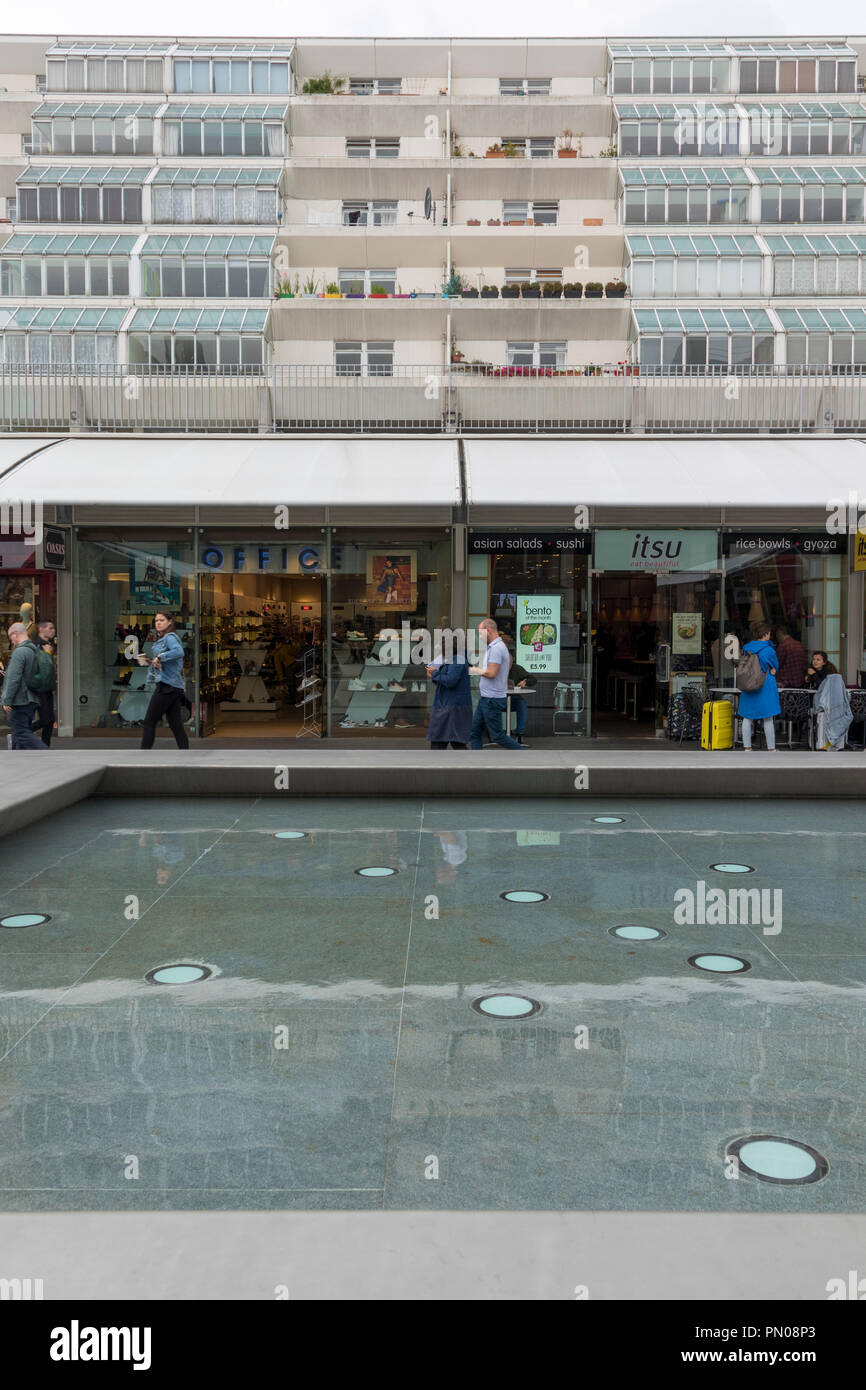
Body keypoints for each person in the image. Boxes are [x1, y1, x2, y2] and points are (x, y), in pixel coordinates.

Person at [468, 618, 526, 751]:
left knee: (498, 736)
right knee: (475, 732)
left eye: (480, 633)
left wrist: (474, 670)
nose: (479, 636)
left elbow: (492, 673)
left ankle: (523, 755)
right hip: (487, 698)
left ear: (488, 631)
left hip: (492, 699)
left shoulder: (496, 649)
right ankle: (476, 763)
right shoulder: (495, 647)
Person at [138, 610, 190, 750]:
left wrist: (160, 657)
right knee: (176, 725)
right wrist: (150, 661)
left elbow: (179, 652)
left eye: (161, 620)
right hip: (173, 686)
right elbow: (168, 662)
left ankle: (144, 755)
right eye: (156, 621)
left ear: (170, 622)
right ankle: (185, 753)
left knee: (149, 722)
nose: (158, 623)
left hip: (167, 687)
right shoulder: (164, 638)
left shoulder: (170, 637)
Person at [2, 622, 48, 749]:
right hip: (31, 699)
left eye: (10, 637)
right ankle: (18, 763)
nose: (11, 641)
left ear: (15, 634)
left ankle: (48, 754)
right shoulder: (34, 650)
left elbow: (14, 679)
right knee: (19, 736)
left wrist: (7, 699)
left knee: (21, 733)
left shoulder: (19, 652)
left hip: (20, 700)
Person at [737, 621, 781, 751]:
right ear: (766, 634)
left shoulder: (747, 648)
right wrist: (773, 669)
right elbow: (775, 666)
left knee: (747, 717)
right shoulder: (768, 650)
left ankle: (747, 748)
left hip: (749, 683)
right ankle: (771, 749)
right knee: (768, 718)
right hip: (765, 684)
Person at [426, 651, 472, 749]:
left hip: (451, 706)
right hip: (447, 705)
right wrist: (433, 674)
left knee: (443, 742)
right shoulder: (453, 659)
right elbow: (446, 678)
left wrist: (434, 672)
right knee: (454, 742)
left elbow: (450, 680)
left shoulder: (458, 660)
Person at [31, 619, 57, 746]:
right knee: (45, 719)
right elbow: (42, 667)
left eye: (53, 628)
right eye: (50, 628)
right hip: (39, 689)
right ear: (41, 629)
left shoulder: (48, 645)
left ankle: (46, 746)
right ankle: (20, 733)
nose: (53, 630)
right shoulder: (37, 646)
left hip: (47, 688)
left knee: (50, 720)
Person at [508, 658, 534, 745]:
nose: (507, 665)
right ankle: (495, 735)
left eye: (510, 663)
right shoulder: (496, 667)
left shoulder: (517, 669)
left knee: (522, 704)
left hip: (513, 698)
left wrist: (525, 681)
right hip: (498, 698)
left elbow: (533, 679)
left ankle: (519, 734)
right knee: (490, 705)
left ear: (512, 662)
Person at [775, 625, 808, 689]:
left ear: (780, 633)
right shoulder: (799, 644)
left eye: (777, 635)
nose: (777, 637)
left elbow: (777, 664)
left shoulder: (783, 645)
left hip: (785, 681)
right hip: (799, 679)